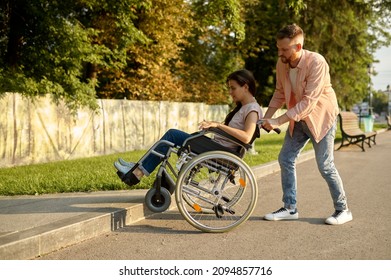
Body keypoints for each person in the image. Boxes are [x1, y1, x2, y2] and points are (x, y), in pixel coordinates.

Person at [261, 24, 352, 225]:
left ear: (299, 47)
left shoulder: (317, 62)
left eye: (284, 49)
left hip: (320, 117)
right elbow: (279, 93)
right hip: (297, 118)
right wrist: (265, 118)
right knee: (285, 158)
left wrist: (278, 120)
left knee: (325, 166)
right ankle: (290, 208)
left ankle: (343, 209)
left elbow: (309, 102)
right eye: (278, 48)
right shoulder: (282, 63)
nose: (280, 53)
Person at [114, 69, 263, 187]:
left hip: (220, 152)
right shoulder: (244, 108)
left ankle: (138, 172)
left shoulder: (252, 109)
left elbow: (246, 137)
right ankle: (138, 167)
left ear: (245, 87)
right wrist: (214, 125)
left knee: (172, 135)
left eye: (233, 88)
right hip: (217, 148)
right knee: (170, 139)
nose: (230, 92)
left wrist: (217, 125)